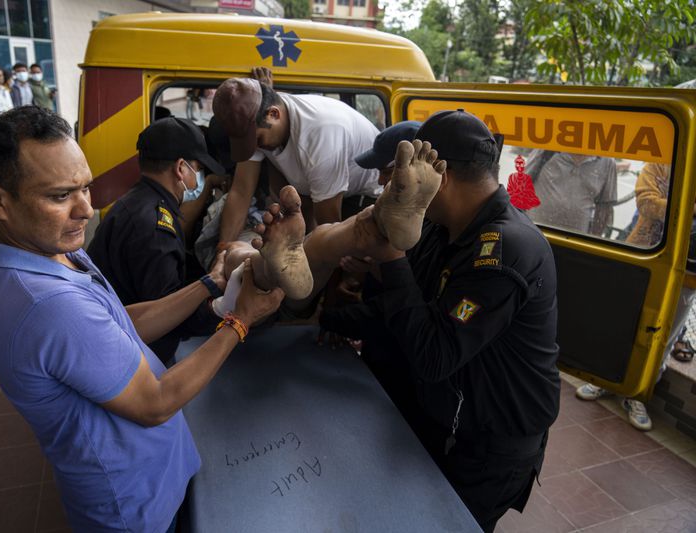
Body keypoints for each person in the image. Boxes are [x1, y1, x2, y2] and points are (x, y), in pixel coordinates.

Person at [0, 105, 285, 532]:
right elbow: (153, 403)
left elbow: (118, 321)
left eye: (85, 187)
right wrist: (239, 322)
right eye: (60, 195)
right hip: (134, 507)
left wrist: (208, 285)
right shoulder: (48, 304)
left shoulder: (46, 251)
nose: (86, 208)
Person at [319, 110, 560, 532]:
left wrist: (389, 257)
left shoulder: (503, 251)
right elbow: (406, 308)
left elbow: (434, 354)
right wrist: (331, 319)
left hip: (492, 444)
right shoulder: (441, 228)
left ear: (440, 179)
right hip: (449, 418)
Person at [87, 118, 227, 367]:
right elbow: (167, 316)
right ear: (181, 168)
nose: (200, 179)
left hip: (120, 340)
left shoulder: (135, 202)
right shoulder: (155, 227)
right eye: (199, 169)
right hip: (140, 357)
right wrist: (223, 308)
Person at [575, 162, 693, 431]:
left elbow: (659, 205)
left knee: (665, 336)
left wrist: (673, 207)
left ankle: (637, 395)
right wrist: (689, 209)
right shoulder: (660, 166)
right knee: (622, 321)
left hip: (688, 269)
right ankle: (604, 379)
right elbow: (648, 204)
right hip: (646, 255)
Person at [212, 74, 381, 248]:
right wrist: (224, 251)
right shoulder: (257, 122)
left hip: (363, 199)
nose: (255, 148)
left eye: (258, 141)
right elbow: (241, 192)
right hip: (317, 193)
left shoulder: (321, 134)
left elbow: (329, 229)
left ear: (274, 114)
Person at [527, 150, 617, 237]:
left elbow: (605, 208)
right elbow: (521, 186)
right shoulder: (547, 149)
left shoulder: (607, 161)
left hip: (575, 241)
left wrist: (593, 241)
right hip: (535, 233)